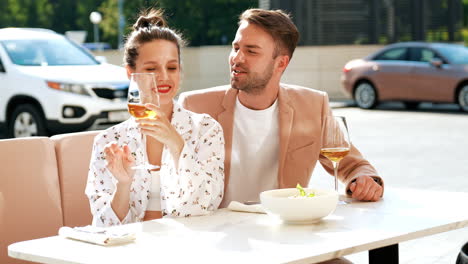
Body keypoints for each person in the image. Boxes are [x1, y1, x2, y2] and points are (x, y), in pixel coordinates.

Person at [179, 8, 383, 208]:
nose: (237, 58)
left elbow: (353, 165)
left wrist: (365, 180)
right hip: (218, 228)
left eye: (251, 51)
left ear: (281, 63)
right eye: (235, 47)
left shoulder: (313, 105)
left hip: (284, 225)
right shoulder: (195, 106)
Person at [86, 9, 224, 227]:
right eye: (151, 68)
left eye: (172, 67)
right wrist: (123, 185)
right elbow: (103, 227)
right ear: (130, 73)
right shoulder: (108, 141)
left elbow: (204, 205)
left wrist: (176, 143)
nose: (164, 77)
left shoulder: (206, 129)